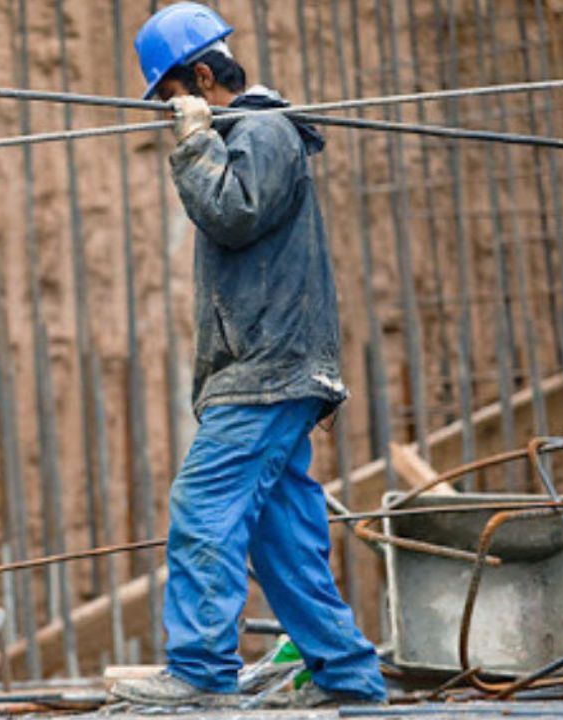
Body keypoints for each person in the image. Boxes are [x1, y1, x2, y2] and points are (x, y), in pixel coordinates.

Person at [112, 2, 386, 709]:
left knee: (204, 504)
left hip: (266, 368)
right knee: (282, 533)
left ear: (203, 79)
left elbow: (230, 215)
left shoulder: (264, 130)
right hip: (272, 365)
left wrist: (195, 143)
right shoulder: (251, 134)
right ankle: (347, 674)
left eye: (172, 97)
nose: (168, 114)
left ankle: (200, 671)